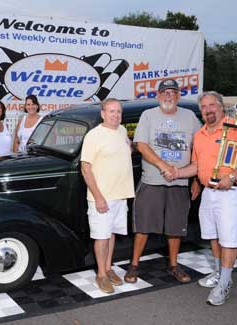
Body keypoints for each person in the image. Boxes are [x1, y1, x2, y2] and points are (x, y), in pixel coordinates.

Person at [169, 91, 237, 306]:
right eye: (204, 107)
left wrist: (232, 176)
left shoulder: (236, 127)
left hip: (231, 192)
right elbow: (196, 166)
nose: (208, 110)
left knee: (229, 239)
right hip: (209, 192)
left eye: (212, 105)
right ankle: (220, 273)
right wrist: (176, 173)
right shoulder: (200, 134)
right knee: (214, 236)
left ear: (221, 107)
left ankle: (225, 284)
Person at [124, 79, 201, 285]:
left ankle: (174, 265)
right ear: (158, 96)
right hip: (153, 180)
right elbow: (141, 145)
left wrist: (196, 180)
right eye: (164, 92)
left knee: (176, 227)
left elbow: (199, 148)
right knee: (143, 225)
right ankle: (134, 264)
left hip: (180, 182)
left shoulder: (190, 116)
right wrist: (163, 166)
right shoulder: (148, 115)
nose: (168, 96)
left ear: (178, 96)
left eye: (173, 92)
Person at [81, 98, 135, 294]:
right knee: (101, 237)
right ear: (103, 113)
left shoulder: (121, 132)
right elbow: (85, 168)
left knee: (111, 234)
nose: (116, 115)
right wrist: (99, 197)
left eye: (118, 111)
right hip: (102, 197)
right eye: (111, 111)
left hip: (121, 195)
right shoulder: (93, 136)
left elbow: (126, 149)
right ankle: (101, 275)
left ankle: (108, 268)